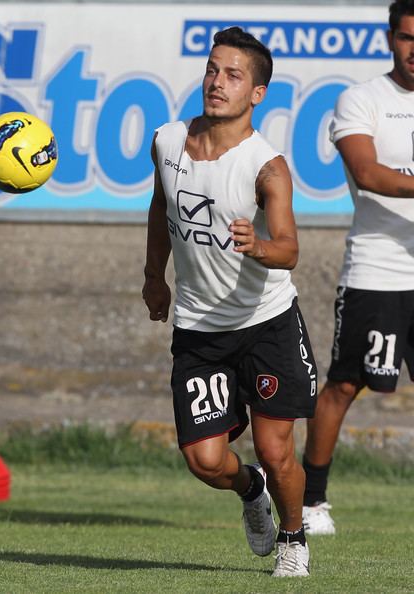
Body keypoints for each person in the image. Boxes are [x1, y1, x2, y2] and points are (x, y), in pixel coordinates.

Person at [142, 26, 317, 578]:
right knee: (205, 460)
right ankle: (251, 493)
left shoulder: (268, 167)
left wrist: (259, 245)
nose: (217, 83)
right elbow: (158, 207)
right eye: (213, 70)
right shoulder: (167, 141)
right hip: (199, 327)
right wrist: (154, 275)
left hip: (266, 323)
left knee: (276, 448)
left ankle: (294, 537)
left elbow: (289, 249)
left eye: (233, 75)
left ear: (256, 93)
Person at [302, 0, 414, 536]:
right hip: (379, 270)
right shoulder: (361, 99)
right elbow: (368, 173)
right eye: (408, 38)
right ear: (391, 37)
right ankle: (311, 502)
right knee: (346, 385)